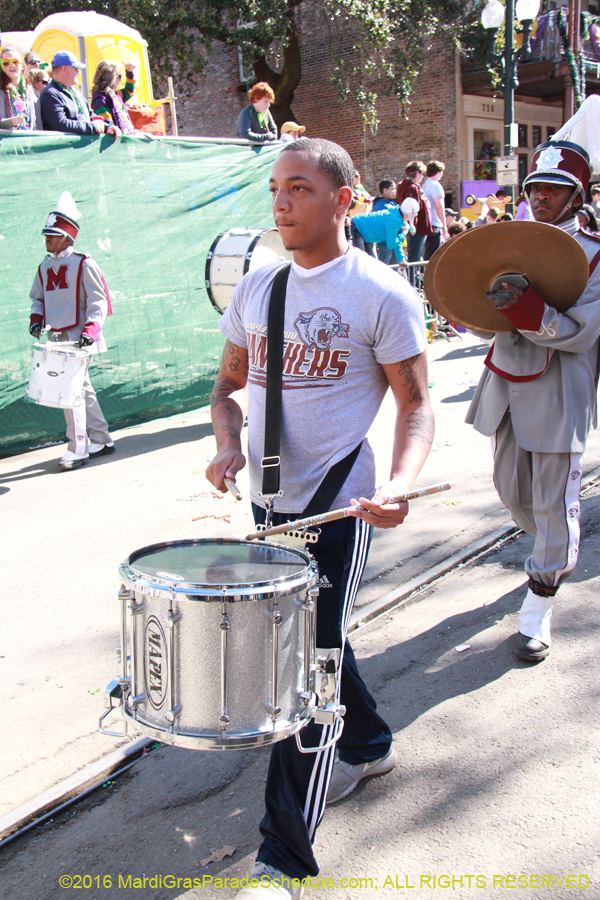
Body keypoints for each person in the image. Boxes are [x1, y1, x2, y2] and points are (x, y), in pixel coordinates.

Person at [206, 136, 434, 899]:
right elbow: (226, 389)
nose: (280, 201)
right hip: (270, 504)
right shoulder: (257, 288)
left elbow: (415, 406)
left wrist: (400, 484)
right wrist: (228, 445)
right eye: (275, 187)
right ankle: (368, 745)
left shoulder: (381, 294)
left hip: (340, 505)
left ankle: (283, 862)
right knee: (318, 636)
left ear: (343, 198)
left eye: (299, 187)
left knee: (305, 669)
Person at [466, 119, 600, 664]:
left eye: (554, 189)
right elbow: (480, 318)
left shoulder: (593, 252)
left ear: (576, 195)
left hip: (559, 389)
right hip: (505, 384)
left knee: (552, 503)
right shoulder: (511, 243)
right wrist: (474, 299)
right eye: (535, 189)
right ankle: (551, 550)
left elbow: (583, 330)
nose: (541, 198)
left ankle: (538, 607)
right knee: (514, 494)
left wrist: (526, 309)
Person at [29, 191, 115, 471]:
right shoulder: (44, 267)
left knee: (69, 390)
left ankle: (77, 447)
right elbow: (38, 298)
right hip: (57, 338)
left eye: (52, 234)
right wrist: (36, 318)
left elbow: (98, 299)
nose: (47, 239)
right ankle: (101, 438)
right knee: (81, 388)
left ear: (67, 236)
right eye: (47, 235)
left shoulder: (83, 263)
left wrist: (91, 329)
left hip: (79, 338)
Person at [40, 50, 120, 136]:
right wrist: (92, 127)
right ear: (65, 69)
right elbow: (61, 124)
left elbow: (91, 115)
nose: (79, 72)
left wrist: (107, 127)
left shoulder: (74, 91)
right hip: (66, 148)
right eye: (76, 69)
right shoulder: (50, 93)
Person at [395, 160, 433, 264]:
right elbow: (411, 208)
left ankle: (414, 278)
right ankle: (413, 280)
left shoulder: (410, 186)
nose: (422, 176)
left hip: (416, 227)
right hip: (417, 228)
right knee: (415, 256)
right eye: (422, 173)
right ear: (417, 173)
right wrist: (413, 224)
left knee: (415, 255)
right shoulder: (412, 187)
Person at [91, 59, 138, 135]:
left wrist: (129, 72)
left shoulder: (115, 95)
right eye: (119, 76)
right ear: (110, 78)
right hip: (114, 143)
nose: (120, 79)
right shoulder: (100, 100)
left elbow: (129, 90)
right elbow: (109, 126)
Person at [1, 47, 39, 131]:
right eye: (6, 62)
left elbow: (38, 123)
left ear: (22, 65)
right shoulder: (1, 91)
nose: (11, 65)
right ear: (2, 67)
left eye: (15, 61)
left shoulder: (31, 91)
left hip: (31, 140)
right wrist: (12, 122)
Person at [422, 160, 448, 260]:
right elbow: (439, 205)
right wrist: (444, 225)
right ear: (439, 171)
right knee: (434, 255)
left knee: (428, 254)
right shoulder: (435, 185)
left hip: (428, 223)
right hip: (435, 224)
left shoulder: (426, 184)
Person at [372, 179, 398, 263]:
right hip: (384, 243)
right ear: (385, 190)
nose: (395, 191)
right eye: (393, 188)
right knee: (385, 266)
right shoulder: (380, 205)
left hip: (394, 241)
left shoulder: (394, 204)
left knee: (395, 269)